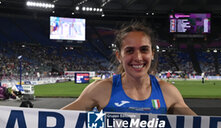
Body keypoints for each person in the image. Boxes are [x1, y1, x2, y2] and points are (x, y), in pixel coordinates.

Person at [62, 21, 196, 115]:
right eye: (130, 51)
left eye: (144, 50)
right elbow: (56, 121)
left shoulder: (168, 92)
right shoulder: (101, 89)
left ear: (152, 54)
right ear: (119, 56)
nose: (138, 57)